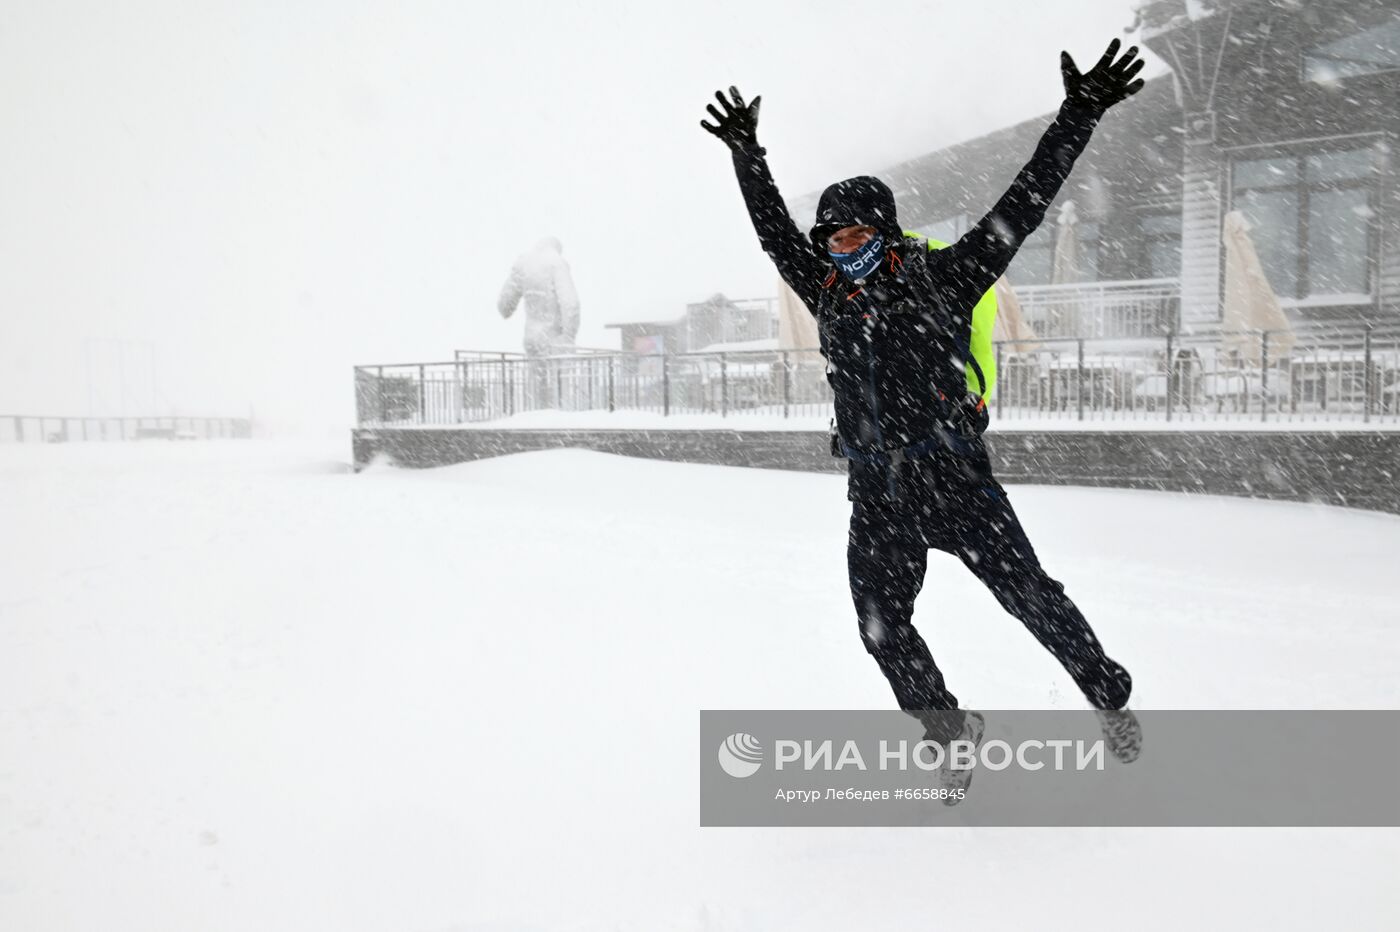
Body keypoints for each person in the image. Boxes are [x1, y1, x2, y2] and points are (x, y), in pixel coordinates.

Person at [701, 39, 1146, 797]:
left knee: (1030, 596)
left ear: (882, 228)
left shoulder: (946, 277)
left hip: (956, 480)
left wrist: (1080, 112)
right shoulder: (830, 296)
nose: (840, 253)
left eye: (853, 237)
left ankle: (1104, 689)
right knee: (882, 627)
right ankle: (950, 730)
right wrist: (749, 156)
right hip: (879, 494)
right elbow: (776, 235)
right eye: (831, 242)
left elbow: (1025, 204)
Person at [497, 237, 582, 409]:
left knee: (536, 393)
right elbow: (570, 303)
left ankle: (536, 418)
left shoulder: (523, 264)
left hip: (532, 339)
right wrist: (569, 335)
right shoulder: (557, 263)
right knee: (562, 394)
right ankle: (559, 426)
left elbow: (504, 306)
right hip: (556, 341)